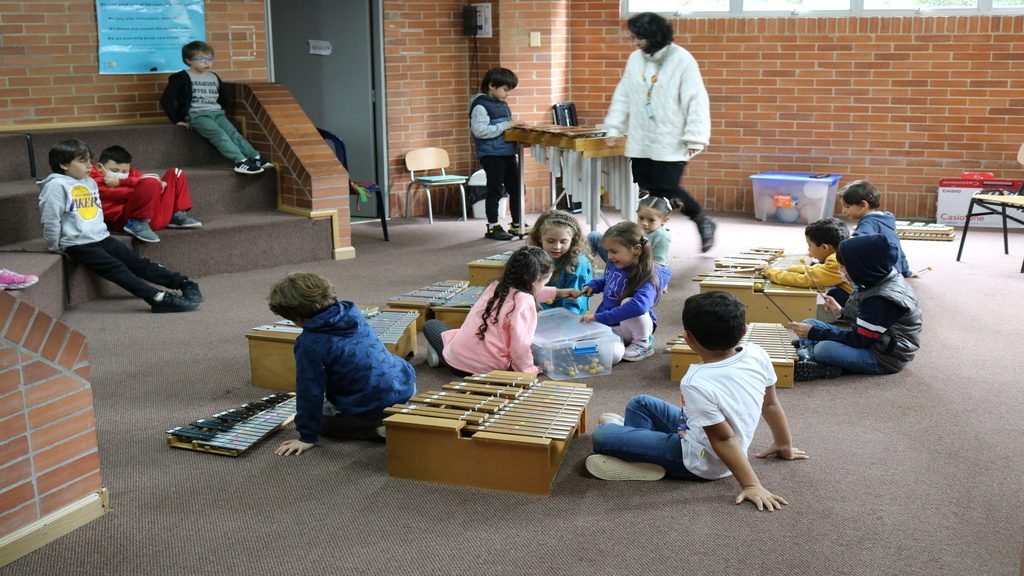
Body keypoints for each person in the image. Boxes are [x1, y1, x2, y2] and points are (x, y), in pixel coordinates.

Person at [586, 291, 807, 511]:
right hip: (694, 432)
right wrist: (783, 444)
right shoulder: (757, 353)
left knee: (602, 436)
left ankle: (635, 457)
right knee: (640, 403)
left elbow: (724, 439)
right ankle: (640, 455)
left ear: (688, 337)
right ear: (744, 330)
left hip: (702, 461)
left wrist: (752, 485)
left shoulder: (696, 382)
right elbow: (770, 404)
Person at [37, 139, 200, 313]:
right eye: (82, 161)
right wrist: (55, 245)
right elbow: (51, 218)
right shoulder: (55, 186)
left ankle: (182, 282)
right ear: (63, 164)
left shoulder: (88, 182)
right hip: (78, 243)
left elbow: (96, 212)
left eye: (89, 161)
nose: (89, 166)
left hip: (101, 237)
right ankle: (156, 297)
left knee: (136, 262)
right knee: (117, 269)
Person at [602, 12, 716, 253]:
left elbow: (696, 99)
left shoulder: (682, 59)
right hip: (641, 136)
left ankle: (701, 220)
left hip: (671, 136)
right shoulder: (635, 59)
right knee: (646, 186)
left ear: (655, 35)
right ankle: (653, 235)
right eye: (634, 38)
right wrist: (614, 126)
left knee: (667, 187)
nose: (636, 43)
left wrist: (696, 135)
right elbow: (623, 93)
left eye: (640, 38)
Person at [268, 272, 416, 456]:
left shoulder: (309, 344)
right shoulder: (351, 311)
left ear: (296, 317)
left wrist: (306, 436)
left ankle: (376, 428)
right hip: (405, 386)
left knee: (322, 415)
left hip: (372, 406)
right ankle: (391, 413)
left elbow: (310, 391)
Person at [789, 234, 922, 381]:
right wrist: (841, 312)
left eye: (844, 266)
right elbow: (867, 322)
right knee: (810, 323)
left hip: (884, 356)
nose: (840, 270)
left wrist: (815, 334)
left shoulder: (881, 299)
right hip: (872, 339)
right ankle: (811, 352)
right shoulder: (875, 278)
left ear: (861, 267)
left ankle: (823, 363)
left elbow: (860, 340)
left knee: (824, 349)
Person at [421, 246, 575, 375]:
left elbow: (531, 290)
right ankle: (442, 357)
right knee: (527, 351)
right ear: (535, 280)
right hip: (488, 371)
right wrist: (528, 370)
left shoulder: (496, 286)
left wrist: (558, 292)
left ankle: (442, 357)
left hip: (456, 360)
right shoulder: (525, 302)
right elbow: (520, 345)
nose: (543, 286)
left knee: (432, 325)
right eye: (544, 282)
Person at [160, 40, 271, 175]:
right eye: (201, 59)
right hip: (197, 115)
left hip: (217, 114)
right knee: (219, 135)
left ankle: (255, 157)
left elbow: (223, 97)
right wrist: (177, 120)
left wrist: (220, 110)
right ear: (188, 60)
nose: (207, 62)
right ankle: (240, 161)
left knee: (233, 133)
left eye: (210, 59)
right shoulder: (180, 78)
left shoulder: (213, 77)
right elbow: (167, 100)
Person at [573, 221, 659, 362]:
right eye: (607, 251)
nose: (609, 256)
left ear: (636, 249)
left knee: (629, 302)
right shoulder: (615, 264)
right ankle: (619, 344)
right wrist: (594, 285)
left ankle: (642, 343)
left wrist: (599, 317)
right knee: (611, 355)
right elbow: (607, 279)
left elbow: (639, 307)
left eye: (613, 251)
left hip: (631, 328)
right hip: (611, 325)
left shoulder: (648, 276)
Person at [90, 145, 202, 244]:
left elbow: (147, 179)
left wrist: (152, 187)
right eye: (115, 170)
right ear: (100, 167)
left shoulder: (131, 173)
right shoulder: (92, 181)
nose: (120, 174)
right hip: (127, 220)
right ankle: (137, 224)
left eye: (124, 172)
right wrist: (150, 188)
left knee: (176, 173)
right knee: (150, 183)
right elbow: (128, 191)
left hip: (153, 215)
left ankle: (176, 215)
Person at [470, 67, 524, 241]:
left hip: (507, 152)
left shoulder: (501, 103)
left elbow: (502, 126)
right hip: (492, 155)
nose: (507, 94)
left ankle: (517, 223)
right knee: (495, 190)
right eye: (505, 90)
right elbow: (480, 131)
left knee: (516, 188)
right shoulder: (480, 105)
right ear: (492, 85)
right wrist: (507, 125)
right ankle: (493, 225)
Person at [755, 217, 853, 306]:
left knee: (834, 294)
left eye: (810, 246)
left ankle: (848, 317)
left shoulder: (836, 261)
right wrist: (789, 269)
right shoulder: (838, 255)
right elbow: (818, 269)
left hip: (858, 302)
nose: (809, 250)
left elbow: (805, 280)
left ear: (824, 247)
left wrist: (771, 272)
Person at [589, 194, 674, 293]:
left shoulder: (662, 237)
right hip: (623, 259)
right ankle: (583, 269)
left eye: (651, 220)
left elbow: (659, 264)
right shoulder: (635, 228)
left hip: (640, 269)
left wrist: (661, 283)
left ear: (665, 220)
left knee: (604, 279)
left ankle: (606, 276)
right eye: (641, 218)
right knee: (594, 236)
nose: (644, 223)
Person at [840, 180, 913, 278]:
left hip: (883, 274)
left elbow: (857, 242)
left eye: (847, 207)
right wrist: (906, 271)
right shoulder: (886, 219)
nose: (843, 210)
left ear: (863, 205)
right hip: (895, 271)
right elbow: (897, 247)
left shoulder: (867, 222)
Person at [527, 209, 592, 315]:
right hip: (540, 313)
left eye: (563, 241)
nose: (557, 247)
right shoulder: (533, 257)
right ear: (539, 238)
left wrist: (567, 323)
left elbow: (573, 302)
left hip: (567, 316)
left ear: (573, 239)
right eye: (550, 241)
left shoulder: (578, 263)